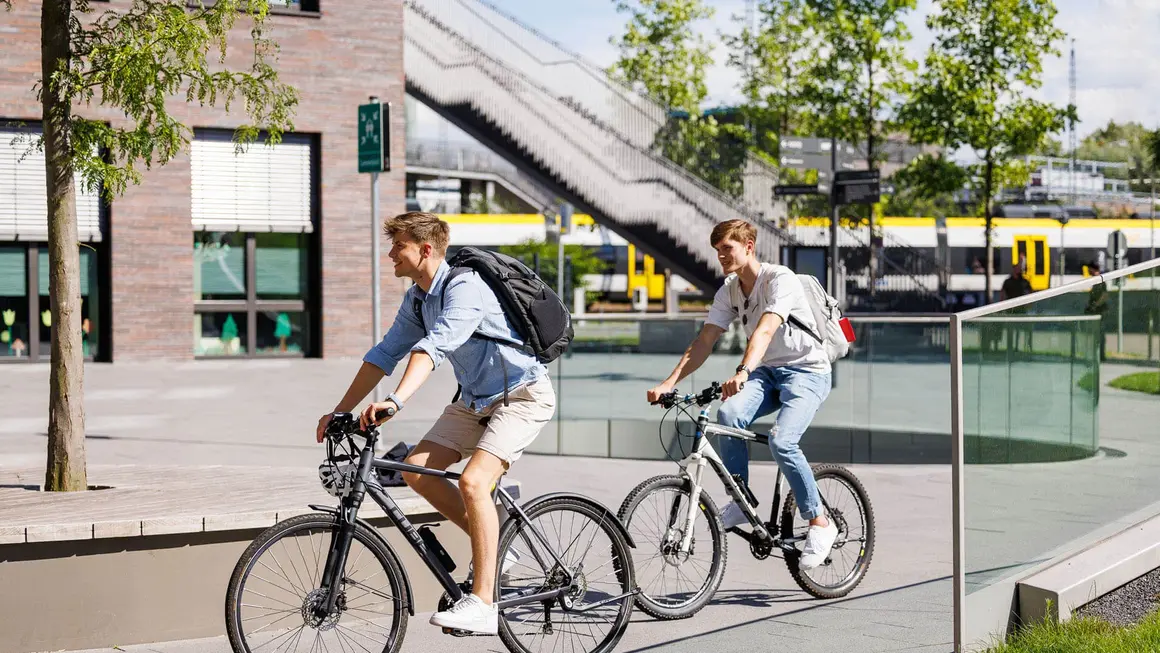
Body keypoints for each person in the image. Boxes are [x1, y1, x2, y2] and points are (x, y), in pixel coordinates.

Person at [315, 211, 555, 635]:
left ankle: (483, 603)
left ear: (426, 250)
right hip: (475, 401)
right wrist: (339, 411)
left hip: (522, 396)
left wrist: (394, 402)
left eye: (398, 246)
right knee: (418, 470)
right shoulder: (418, 298)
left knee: (474, 482)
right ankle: (498, 543)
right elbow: (385, 354)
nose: (390, 253)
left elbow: (435, 346)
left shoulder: (465, 287)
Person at [646, 219, 838, 570]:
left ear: (749, 247)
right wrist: (669, 382)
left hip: (807, 372)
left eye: (727, 249)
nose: (720, 255)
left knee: (783, 441)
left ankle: (819, 521)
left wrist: (744, 371)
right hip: (769, 373)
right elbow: (705, 340)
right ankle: (740, 498)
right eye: (717, 250)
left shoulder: (780, 279)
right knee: (728, 415)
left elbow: (765, 330)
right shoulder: (730, 290)